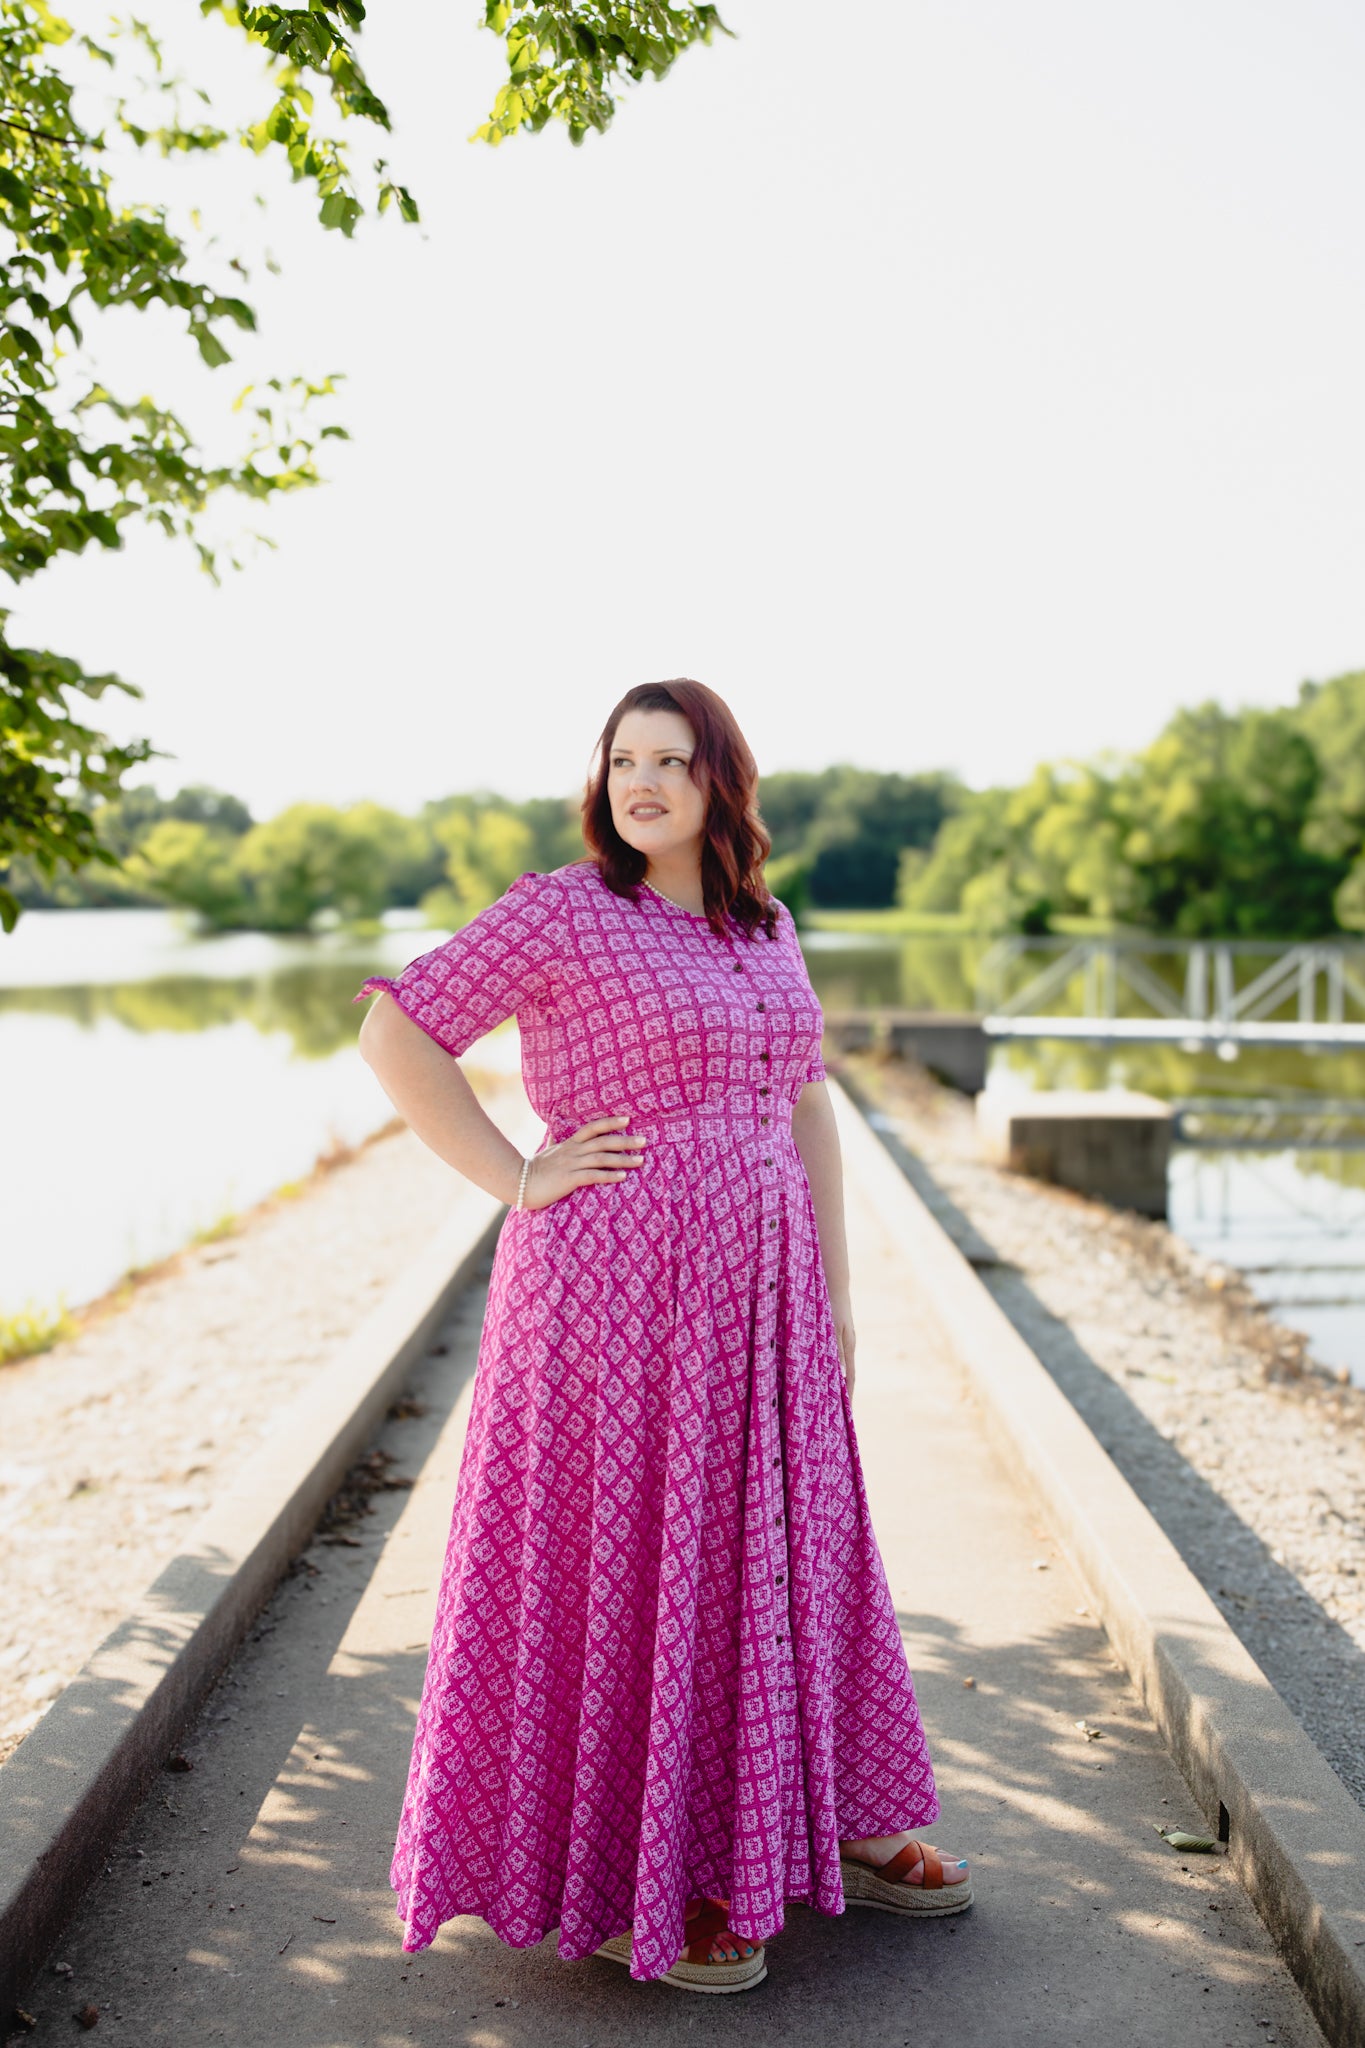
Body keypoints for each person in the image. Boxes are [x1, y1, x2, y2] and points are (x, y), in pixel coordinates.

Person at [356, 679, 970, 1994]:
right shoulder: (562, 909)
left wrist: (841, 1293)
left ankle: (842, 1824)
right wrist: (515, 1172)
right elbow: (394, 1031)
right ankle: (675, 1873)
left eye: (671, 761)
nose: (642, 783)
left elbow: (806, 1102)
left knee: (794, 1542)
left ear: (717, 783)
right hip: (608, 1297)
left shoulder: (766, 925)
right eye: (623, 759)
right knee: (639, 1552)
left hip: (767, 1292)